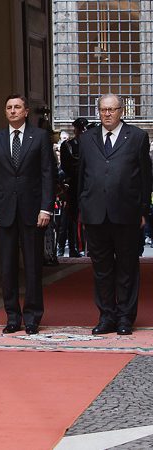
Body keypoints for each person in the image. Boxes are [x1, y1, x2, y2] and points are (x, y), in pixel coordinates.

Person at [79, 94, 152, 336]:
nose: (107, 114)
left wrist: (143, 210)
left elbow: (144, 177)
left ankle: (125, 318)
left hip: (127, 213)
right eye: (102, 110)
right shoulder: (87, 138)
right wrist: (82, 206)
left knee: (127, 268)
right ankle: (106, 316)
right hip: (96, 213)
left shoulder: (138, 137)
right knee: (102, 269)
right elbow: (82, 176)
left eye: (112, 109)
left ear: (121, 111)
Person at [0, 94, 55, 335]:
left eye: (17, 107)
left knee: (33, 266)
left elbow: (48, 174)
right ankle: (12, 316)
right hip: (4, 212)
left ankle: (33, 316)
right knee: (7, 267)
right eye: (9, 108)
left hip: (33, 212)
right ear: (5, 112)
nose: (13, 111)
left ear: (26, 112)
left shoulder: (40, 137)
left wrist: (46, 207)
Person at [58, 118, 90, 258]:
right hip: (75, 185)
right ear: (76, 130)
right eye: (80, 129)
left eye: (84, 129)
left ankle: (89, 247)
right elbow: (66, 166)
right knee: (72, 218)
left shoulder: (92, 145)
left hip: (90, 185)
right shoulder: (68, 146)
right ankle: (73, 247)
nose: (82, 132)